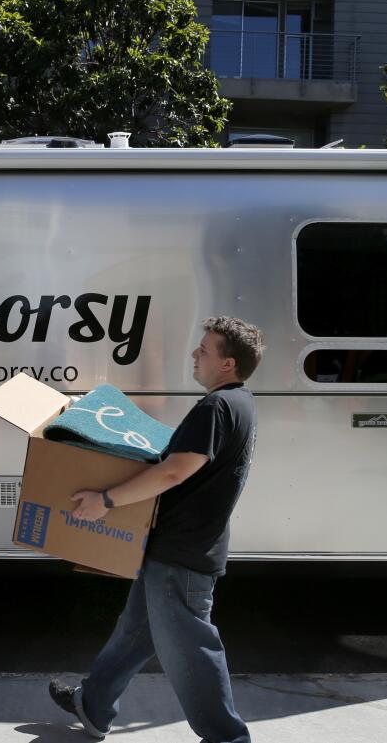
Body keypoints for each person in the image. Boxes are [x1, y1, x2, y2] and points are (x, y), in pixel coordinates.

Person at [49, 316, 264, 743]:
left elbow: (175, 472)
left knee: (193, 653)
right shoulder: (240, 403)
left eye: (205, 349)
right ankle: (93, 704)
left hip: (183, 555)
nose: (194, 354)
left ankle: (228, 738)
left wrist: (106, 500)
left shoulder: (217, 407)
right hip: (176, 548)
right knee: (134, 632)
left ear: (228, 363)